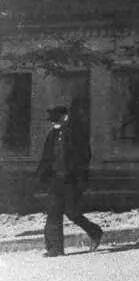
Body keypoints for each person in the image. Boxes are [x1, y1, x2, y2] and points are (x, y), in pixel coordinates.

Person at [36, 105, 103, 257]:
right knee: (53, 213)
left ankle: (95, 232)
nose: (53, 124)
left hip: (71, 181)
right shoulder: (52, 135)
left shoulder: (76, 135)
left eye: (56, 120)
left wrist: (79, 178)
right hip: (55, 179)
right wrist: (41, 175)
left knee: (72, 212)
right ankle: (55, 248)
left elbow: (85, 157)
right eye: (52, 122)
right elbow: (46, 157)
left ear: (65, 118)